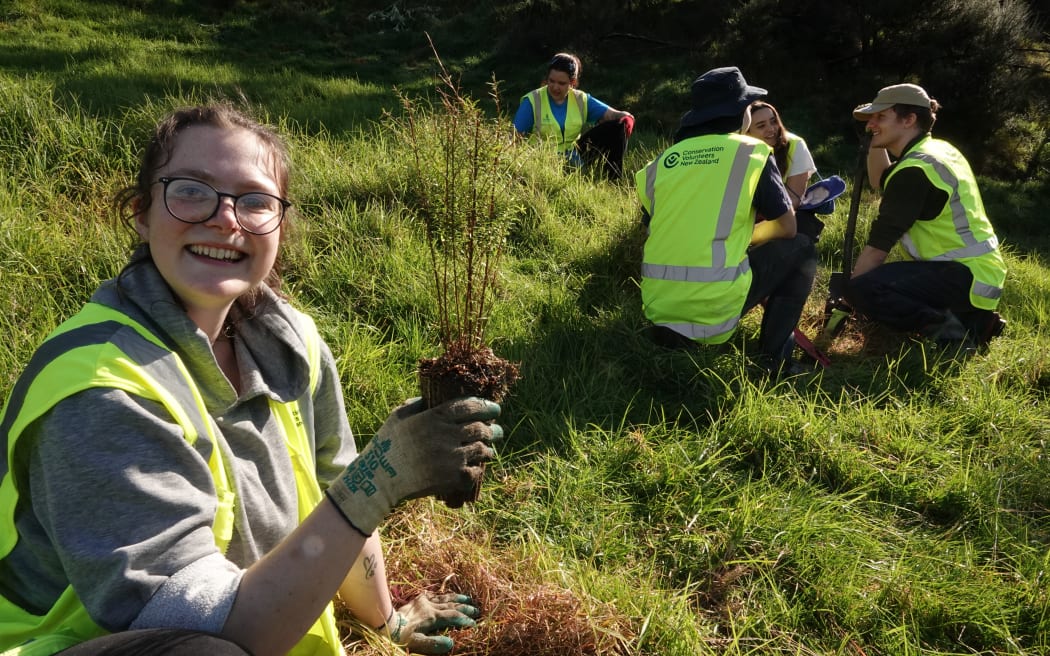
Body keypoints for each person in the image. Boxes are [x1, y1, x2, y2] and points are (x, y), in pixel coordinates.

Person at [0, 103, 502, 656]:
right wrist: (377, 481)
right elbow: (223, 636)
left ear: (279, 226)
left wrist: (388, 623)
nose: (226, 219)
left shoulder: (291, 343)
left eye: (255, 201)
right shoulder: (100, 391)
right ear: (142, 213)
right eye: (191, 190)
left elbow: (338, 499)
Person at [635, 66, 817, 376]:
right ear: (742, 114)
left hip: (658, 310)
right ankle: (774, 361)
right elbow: (787, 227)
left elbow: (662, 226)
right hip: (712, 309)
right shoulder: (752, 152)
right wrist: (747, 238)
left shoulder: (662, 162)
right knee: (802, 247)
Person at [847, 83, 1007, 350]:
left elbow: (877, 249)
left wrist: (851, 297)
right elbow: (878, 179)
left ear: (909, 120)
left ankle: (952, 335)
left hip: (965, 276)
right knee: (875, 284)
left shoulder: (915, 171)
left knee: (866, 288)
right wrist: (874, 139)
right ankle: (973, 320)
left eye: (880, 117)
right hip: (977, 273)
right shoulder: (936, 150)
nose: (870, 123)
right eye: (870, 119)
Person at [513, 52, 635, 179]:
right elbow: (513, 140)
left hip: (575, 155)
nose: (555, 87)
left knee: (619, 126)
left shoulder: (580, 99)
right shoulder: (532, 101)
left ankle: (613, 180)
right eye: (551, 81)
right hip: (542, 161)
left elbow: (614, 115)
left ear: (572, 83)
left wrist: (628, 119)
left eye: (561, 83)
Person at [745, 100, 828, 241]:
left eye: (773, 121)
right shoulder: (739, 149)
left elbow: (794, 199)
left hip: (784, 214)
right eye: (761, 126)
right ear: (746, 132)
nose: (771, 129)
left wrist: (758, 229)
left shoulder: (795, 145)